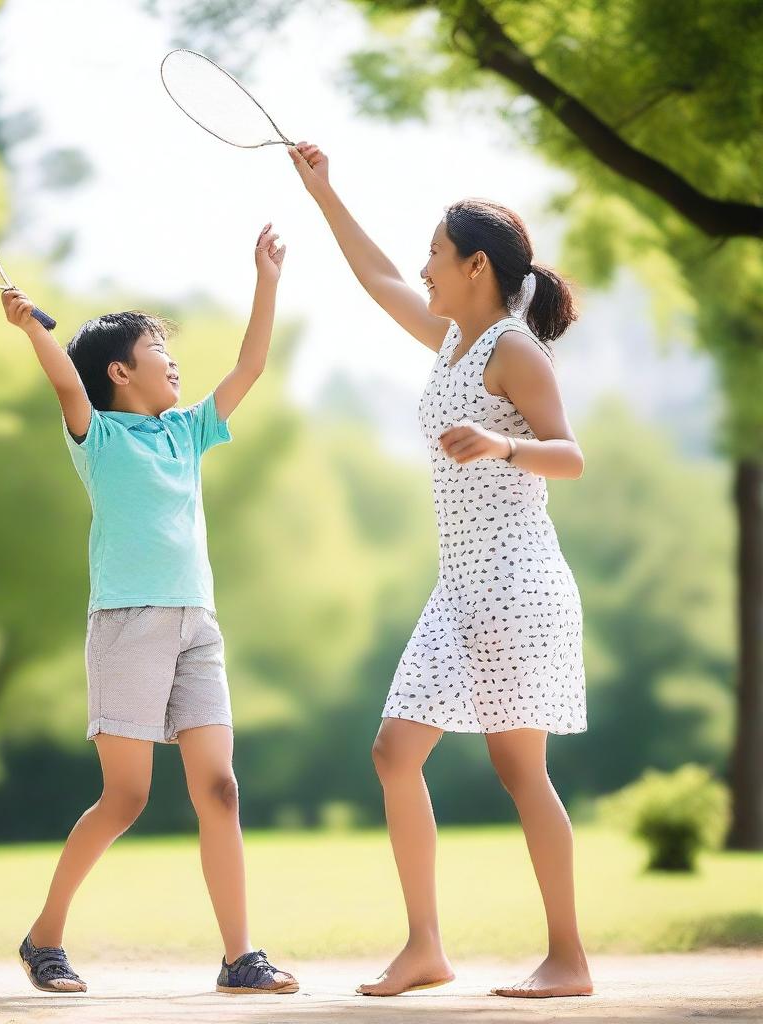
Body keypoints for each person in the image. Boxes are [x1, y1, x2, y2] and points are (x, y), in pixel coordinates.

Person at [288, 141, 593, 1000]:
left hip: (518, 584)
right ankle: (425, 948)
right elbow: (377, 279)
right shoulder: (455, 341)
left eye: (434, 254)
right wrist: (325, 192)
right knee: (395, 752)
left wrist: (504, 443)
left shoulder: (512, 351)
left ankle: (569, 960)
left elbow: (570, 457)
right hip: (458, 588)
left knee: (519, 771)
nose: (423, 269)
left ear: (475, 266)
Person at [2, 223, 298, 996]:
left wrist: (265, 278)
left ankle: (240, 957)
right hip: (128, 624)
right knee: (126, 797)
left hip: (198, 625)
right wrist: (35, 330)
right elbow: (67, 385)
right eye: (160, 352)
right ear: (120, 371)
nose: (175, 363)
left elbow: (252, 364)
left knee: (221, 788)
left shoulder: (187, 431)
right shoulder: (96, 435)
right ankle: (44, 939)